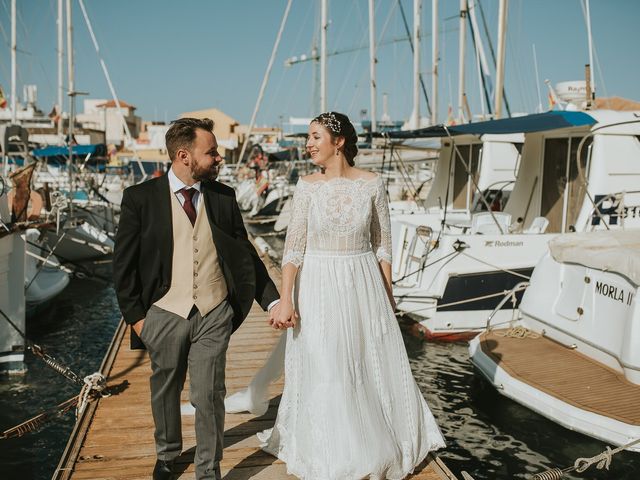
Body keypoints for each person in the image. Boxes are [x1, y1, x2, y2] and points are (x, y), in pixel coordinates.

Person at [259, 112, 445, 479]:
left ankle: (376, 439)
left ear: (338, 140)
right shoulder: (307, 186)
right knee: (326, 363)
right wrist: (285, 299)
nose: (309, 144)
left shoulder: (373, 185)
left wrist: (387, 297)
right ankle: (334, 449)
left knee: (361, 361)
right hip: (318, 284)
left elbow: (383, 245)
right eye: (308, 138)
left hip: (364, 285)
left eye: (315, 136)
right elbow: (293, 249)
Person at [113, 117, 279, 480]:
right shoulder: (139, 199)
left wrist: (272, 300)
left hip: (214, 310)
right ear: (185, 156)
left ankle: (208, 469)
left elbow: (245, 255)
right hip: (164, 312)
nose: (218, 158)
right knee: (165, 389)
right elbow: (123, 266)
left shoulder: (223, 197)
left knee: (209, 394)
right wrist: (138, 319)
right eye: (212, 152)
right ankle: (168, 454)